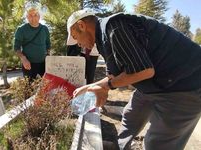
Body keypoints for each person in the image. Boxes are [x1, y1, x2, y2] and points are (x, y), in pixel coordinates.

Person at [66, 9, 201, 150]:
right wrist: (88, 87)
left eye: (75, 37)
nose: (78, 45)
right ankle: (121, 147)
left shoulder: (115, 26)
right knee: (131, 116)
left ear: (82, 25)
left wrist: (106, 86)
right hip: (156, 83)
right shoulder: (103, 39)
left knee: (157, 144)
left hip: (184, 85)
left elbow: (144, 71)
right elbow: (113, 76)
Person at [13, 5, 51, 82]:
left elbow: (48, 44)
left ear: (39, 16)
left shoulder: (45, 29)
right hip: (28, 65)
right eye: (30, 15)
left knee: (46, 88)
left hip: (43, 64)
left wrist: (48, 57)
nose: (33, 18)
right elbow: (16, 47)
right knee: (28, 88)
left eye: (35, 15)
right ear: (27, 17)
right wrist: (23, 58)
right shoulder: (21, 30)